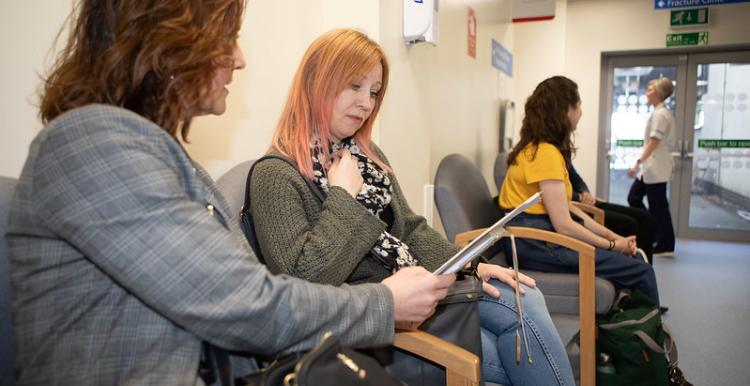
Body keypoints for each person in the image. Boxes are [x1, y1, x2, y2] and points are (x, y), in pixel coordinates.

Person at [7, 2, 454, 385]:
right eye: (227, 38)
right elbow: (246, 304)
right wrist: (384, 302)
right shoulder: (93, 145)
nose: (239, 60)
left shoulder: (158, 156)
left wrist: (463, 266)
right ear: (166, 42)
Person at [250, 29, 576, 386]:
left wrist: (471, 266)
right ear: (316, 82)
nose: (366, 103)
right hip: (370, 326)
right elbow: (302, 284)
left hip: (416, 296)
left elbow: (409, 229)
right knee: (504, 352)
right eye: (354, 87)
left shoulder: (366, 157)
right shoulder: (274, 175)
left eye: (373, 92)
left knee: (522, 295)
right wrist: (344, 198)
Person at [498, 76, 660, 306]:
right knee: (641, 271)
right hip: (535, 244)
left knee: (628, 260)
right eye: (578, 106)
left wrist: (612, 238)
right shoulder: (545, 153)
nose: (581, 112)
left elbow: (569, 209)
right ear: (565, 111)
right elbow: (563, 224)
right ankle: (643, 338)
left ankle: (620, 332)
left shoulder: (537, 148)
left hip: (535, 240)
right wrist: (613, 246)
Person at [627, 77, 677, 256]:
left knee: (658, 205)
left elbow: (654, 142)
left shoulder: (660, 114)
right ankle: (656, 234)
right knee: (635, 197)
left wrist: (637, 163)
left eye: (649, 90)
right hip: (652, 168)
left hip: (656, 167)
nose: (646, 93)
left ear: (657, 93)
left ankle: (665, 243)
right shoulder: (659, 112)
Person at [568, 164, 655, 263]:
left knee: (645, 217)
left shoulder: (563, 155)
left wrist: (585, 192)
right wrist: (579, 197)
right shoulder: (551, 155)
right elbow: (560, 194)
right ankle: (635, 267)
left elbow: (577, 180)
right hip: (578, 207)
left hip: (588, 203)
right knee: (629, 224)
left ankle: (645, 266)